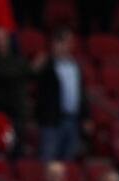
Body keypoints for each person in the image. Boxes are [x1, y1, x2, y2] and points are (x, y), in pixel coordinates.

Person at [33, 27, 87, 162]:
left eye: (69, 43)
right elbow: (33, 81)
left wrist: (86, 116)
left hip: (72, 120)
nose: (66, 46)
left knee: (68, 162)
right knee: (48, 160)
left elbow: (81, 93)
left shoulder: (75, 66)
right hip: (52, 121)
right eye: (62, 42)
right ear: (55, 44)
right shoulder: (47, 65)